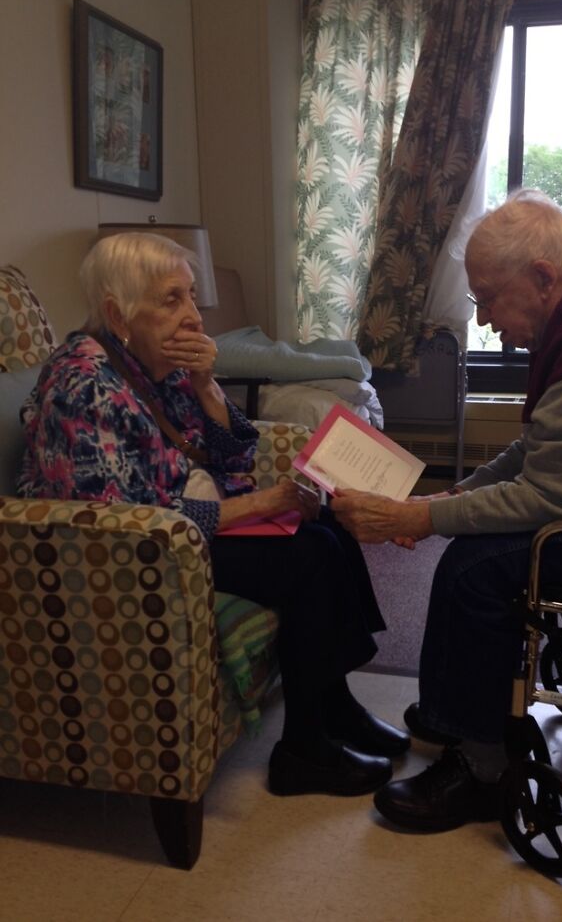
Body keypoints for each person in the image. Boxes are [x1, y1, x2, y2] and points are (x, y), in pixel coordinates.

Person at [331, 188, 562, 831]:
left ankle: (480, 770)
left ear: (541, 277)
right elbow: (543, 444)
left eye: (489, 299)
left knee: (478, 568)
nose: (486, 319)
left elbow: (556, 496)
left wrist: (418, 518)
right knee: (475, 541)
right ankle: (460, 713)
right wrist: (457, 494)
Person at [17, 231, 410, 799]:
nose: (193, 316)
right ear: (116, 313)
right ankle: (303, 750)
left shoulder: (161, 364)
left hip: (186, 518)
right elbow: (125, 517)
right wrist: (259, 504)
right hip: (143, 550)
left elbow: (235, 453)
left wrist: (205, 385)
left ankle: (334, 704)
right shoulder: (81, 387)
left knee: (328, 526)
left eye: (191, 297)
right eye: (170, 300)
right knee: (309, 558)